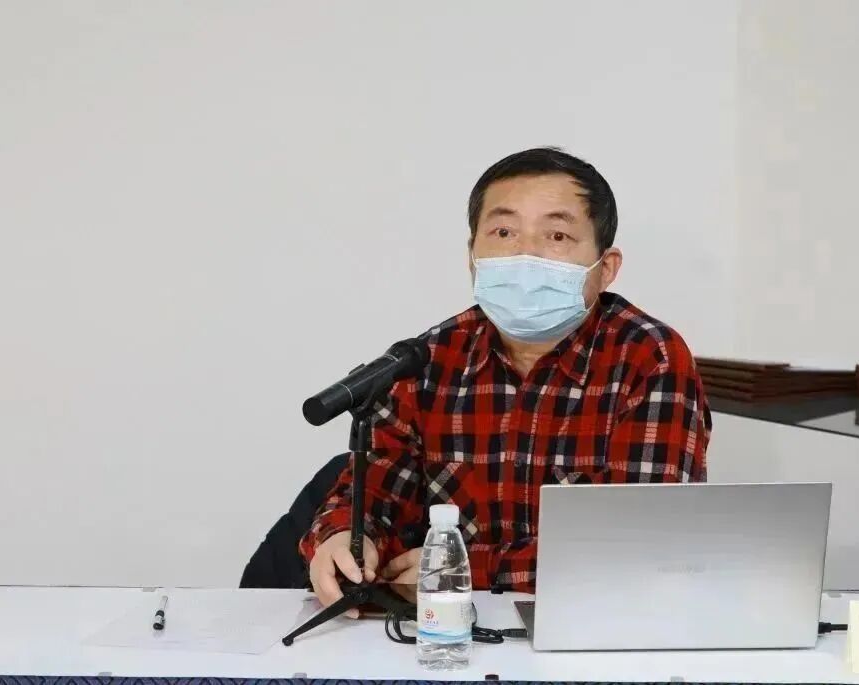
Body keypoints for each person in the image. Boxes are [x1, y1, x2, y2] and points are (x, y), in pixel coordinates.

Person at [299, 147, 711, 614]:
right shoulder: (427, 359)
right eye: (503, 232)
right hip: (443, 631)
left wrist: (462, 568)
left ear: (606, 268)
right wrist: (344, 539)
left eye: (557, 235)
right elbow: (376, 496)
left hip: (595, 623)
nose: (525, 253)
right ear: (472, 257)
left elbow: (644, 544)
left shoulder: (648, 358)